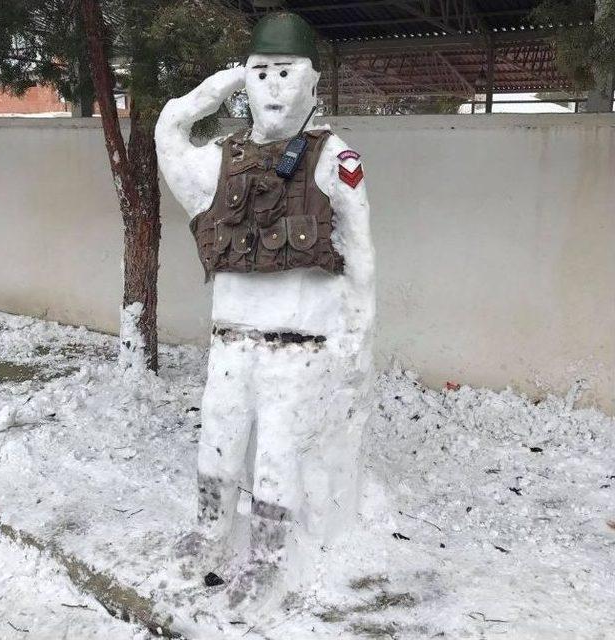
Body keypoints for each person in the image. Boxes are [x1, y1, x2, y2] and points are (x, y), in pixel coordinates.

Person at [155, 12, 375, 604]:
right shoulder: (221, 162)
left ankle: (271, 558)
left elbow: (359, 249)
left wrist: (356, 337)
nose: (273, 85)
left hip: (300, 347)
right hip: (232, 341)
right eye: (261, 73)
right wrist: (220, 84)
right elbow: (169, 133)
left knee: (278, 451)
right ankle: (209, 532)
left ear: (312, 83)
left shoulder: (335, 157)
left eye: (285, 71)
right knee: (218, 440)